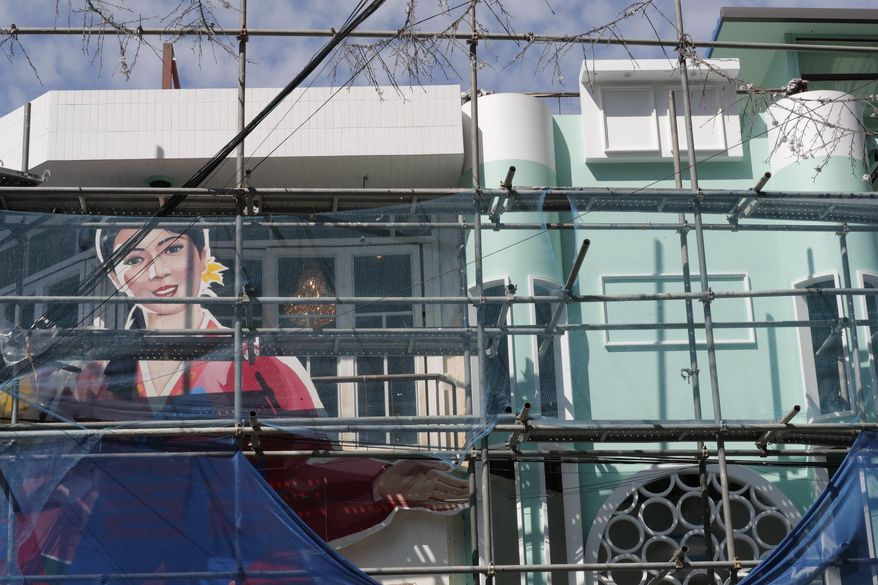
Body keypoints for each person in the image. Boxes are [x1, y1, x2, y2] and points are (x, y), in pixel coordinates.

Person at [84, 223, 468, 541]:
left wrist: (377, 486)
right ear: (118, 279)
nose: (157, 272)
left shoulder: (263, 365)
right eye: (134, 259)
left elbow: (292, 488)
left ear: (201, 258)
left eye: (171, 250)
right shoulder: (98, 379)